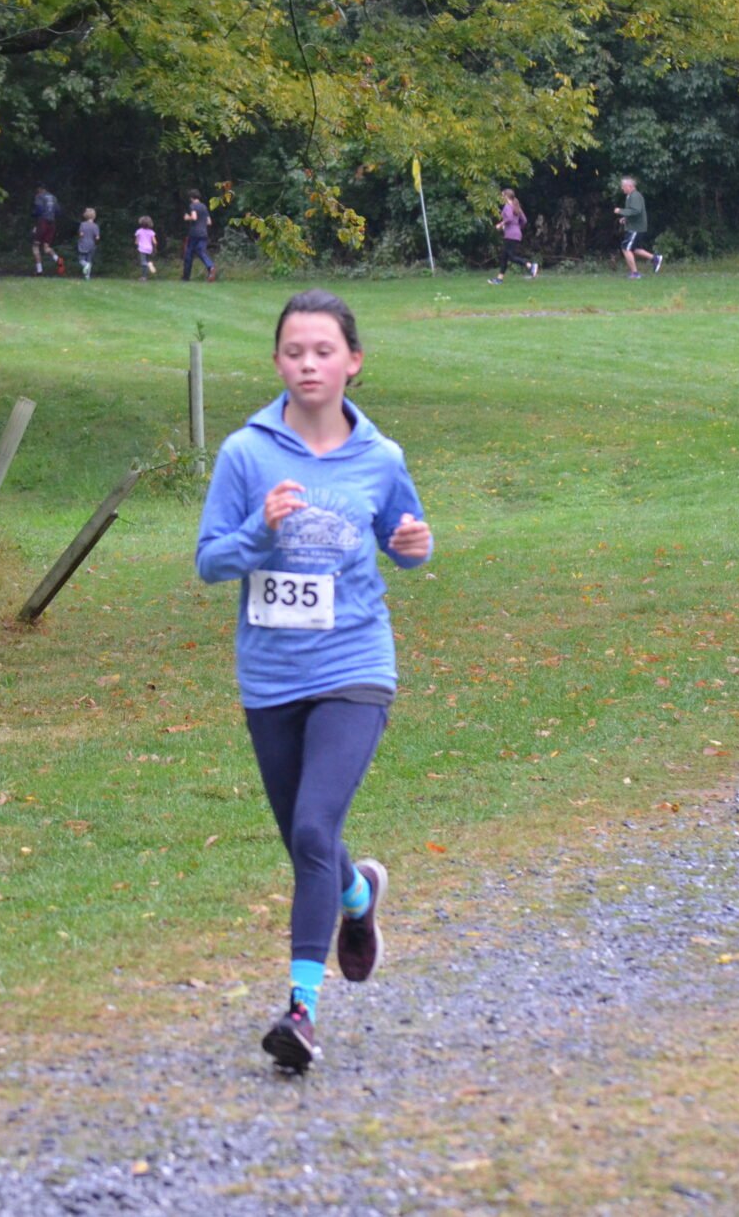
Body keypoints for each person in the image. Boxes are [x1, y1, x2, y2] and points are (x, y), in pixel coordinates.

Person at [195, 289, 434, 1072]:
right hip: (270, 677)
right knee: (313, 841)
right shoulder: (245, 453)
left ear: (352, 362)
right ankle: (358, 894)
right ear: (276, 362)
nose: (308, 364)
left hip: (355, 665)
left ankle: (299, 1013)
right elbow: (209, 563)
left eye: (323, 351)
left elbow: (404, 542)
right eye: (294, 351)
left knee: (309, 832)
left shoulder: (382, 456)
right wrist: (259, 530)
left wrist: (415, 543)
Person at [612, 177, 662, 278]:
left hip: (635, 227)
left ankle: (635, 273)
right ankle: (655, 258)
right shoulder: (631, 196)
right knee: (634, 248)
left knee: (626, 248)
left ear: (630, 186)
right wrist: (626, 218)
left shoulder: (635, 196)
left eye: (623, 186)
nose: (622, 188)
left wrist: (621, 211)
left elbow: (636, 211)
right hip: (634, 226)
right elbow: (633, 211)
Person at [488, 187, 536, 284]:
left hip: (510, 235)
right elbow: (524, 220)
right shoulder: (516, 206)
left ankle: (530, 265)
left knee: (511, 257)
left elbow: (509, 218)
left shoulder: (507, 206)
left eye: (502, 196)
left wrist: (500, 225)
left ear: (506, 196)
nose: (502, 198)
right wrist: (517, 228)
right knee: (504, 257)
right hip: (516, 234)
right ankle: (499, 279)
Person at [182, 188, 217, 282]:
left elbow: (194, 217)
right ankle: (211, 266)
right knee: (201, 251)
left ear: (191, 198)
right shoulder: (204, 206)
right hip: (204, 233)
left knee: (188, 254)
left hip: (194, 233)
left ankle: (186, 277)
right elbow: (209, 222)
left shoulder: (193, 206)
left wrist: (187, 217)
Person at [30, 185, 64, 275]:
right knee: (46, 247)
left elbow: (39, 210)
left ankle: (39, 270)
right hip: (52, 223)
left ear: (40, 189)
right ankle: (58, 259)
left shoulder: (39, 196)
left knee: (35, 246)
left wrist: (33, 214)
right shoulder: (53, 197)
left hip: (42, 222)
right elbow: (58, 211)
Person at [76, 208, 100, 280]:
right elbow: (97, 237)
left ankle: (85, 265)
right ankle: (87, 276)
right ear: (94, 216)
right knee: (89, 260)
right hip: (91, 244)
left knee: (81, 260)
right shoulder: (95, 226)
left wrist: (80, 236)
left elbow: (81, 234)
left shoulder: (82, 224)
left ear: (85, 215)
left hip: (83, 243)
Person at [135, 215, 158, 279]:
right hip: (149, 249)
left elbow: (136, 241)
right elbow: (155, 242)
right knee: (146, 261)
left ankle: (149, 265)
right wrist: (155, 248)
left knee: (143, 263)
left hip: (142, 248)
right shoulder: (151, 232)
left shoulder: (139, 231)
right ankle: (144, 277)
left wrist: (137, 246)